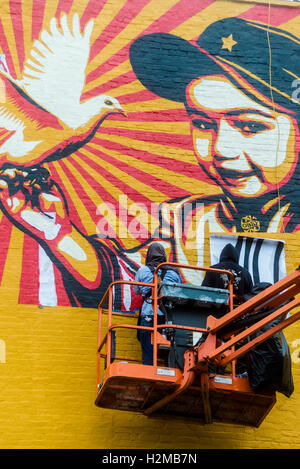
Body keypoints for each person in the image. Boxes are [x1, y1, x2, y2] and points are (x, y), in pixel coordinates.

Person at [129, 17, 300, 281]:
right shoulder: (176, 223)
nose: (222, 149)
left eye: (250, 126)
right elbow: (115, 270)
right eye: (202, 123)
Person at [134, 242, 181, 365]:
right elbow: (179, 292)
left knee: (148, 351)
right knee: (169, 350)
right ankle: (168, 372)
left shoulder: (142, 270)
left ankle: (148, 371)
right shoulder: (174, 272)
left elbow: (136, 291)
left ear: (149, 255)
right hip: (167, 316)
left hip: (148, 314)